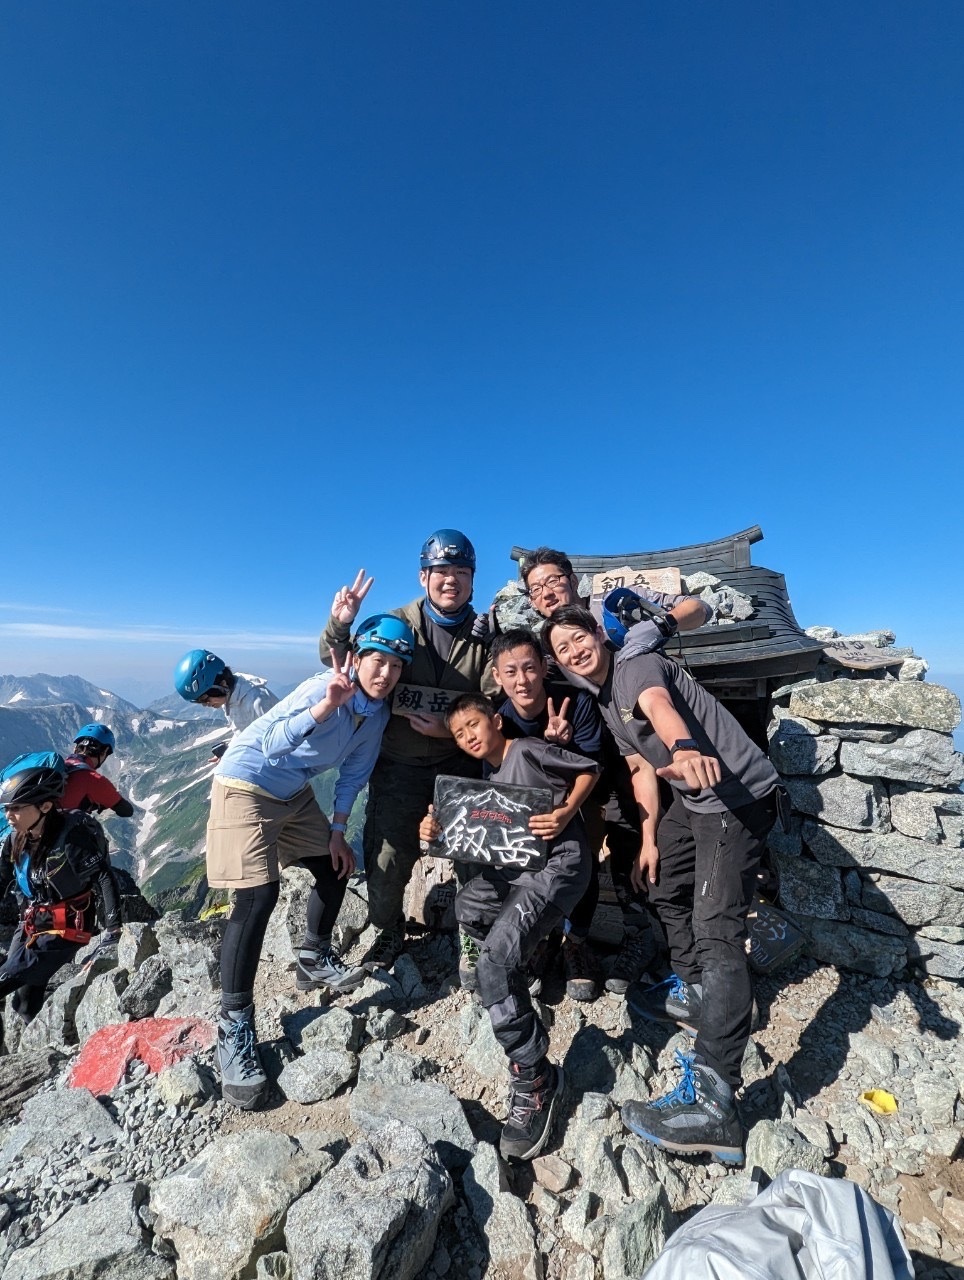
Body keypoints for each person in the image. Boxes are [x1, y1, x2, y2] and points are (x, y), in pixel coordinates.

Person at [542, 604, 780, 1165]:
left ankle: (715, 1102)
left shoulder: (633, 667)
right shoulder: (602, 697)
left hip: (736, 798)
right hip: (691, 802)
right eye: (563, 649)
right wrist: (648, 839)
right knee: (664, 885)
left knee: (716, 931)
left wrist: (683, 745)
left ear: (600, 635)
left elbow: (659, 706)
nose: (574, 651)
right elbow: (639, 768)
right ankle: (697, 992)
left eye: (580, 638)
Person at [208, 612, 415, 1110]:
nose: (385, 673)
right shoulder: (325, 686)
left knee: (333, 863)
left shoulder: (378, 714)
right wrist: (325, 707)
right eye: (377, 661)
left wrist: (339, 830)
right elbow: (272, 744)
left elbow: (353, 774)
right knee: (258, 896)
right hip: (246, 784)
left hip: (293, 793)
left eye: (395, 665)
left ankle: (313, 957)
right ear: (358, 658)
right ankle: (232, 1027)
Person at [520, 547, 714, 997]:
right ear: (531, 601)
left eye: (553, 580)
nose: (547, 593)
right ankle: (568, 941)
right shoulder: (545, 643)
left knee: (637, 844)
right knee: (575, 852)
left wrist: (657, 626)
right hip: (584, 759)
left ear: (572, 578)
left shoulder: (613, 608)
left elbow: (700, 608)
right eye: (536, 589)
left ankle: (644, 938)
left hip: (637, 755)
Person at [418, 693, 599, 1161]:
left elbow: (588, 770)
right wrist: (435, 832)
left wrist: (565, 813)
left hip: (558, 865)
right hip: (518, 869)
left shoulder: (526, 750)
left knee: (493, 962)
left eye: (474, 725)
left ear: (496, 720)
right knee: (470, 905)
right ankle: (517, 969)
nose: (469, 736)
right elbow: (478, 836)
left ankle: (535, 1073)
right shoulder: (486, 777)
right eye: (459, 734)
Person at [318, 534, 498, 971]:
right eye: (441, 573)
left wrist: (450, 729)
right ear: (424, 577)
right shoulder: (397, 622)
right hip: (397, 764)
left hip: (461, 761)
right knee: (386, 859)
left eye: (461, 573)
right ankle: (388, 930)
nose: (450, 581)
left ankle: (474, 937)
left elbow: (497, 698)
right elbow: (338, 660)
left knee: (473, 855)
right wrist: (340, 625)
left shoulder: (487, 635)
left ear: (473, 581)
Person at [489, 628, 609, 1001]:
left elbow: (595, 766)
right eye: (510, 672)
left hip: (583, 793)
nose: (521, 680)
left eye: (529, 668)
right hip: (529, 805)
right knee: (527, 862)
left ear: (544, 667)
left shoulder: (575, 702)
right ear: (497, 676)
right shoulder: (499, 720)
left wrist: (566, 809)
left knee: (583, 853)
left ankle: (576, 941)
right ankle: (544, 938)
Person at [0, 756, 120, 1030]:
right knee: (23, 999)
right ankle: (48, 1039)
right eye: (8, 808)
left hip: (67, 928)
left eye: (16, 808)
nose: (9, 816)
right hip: (33, 922)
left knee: (9, 977)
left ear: (44, 806)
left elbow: (102, 876)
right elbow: (2, 880)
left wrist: (113, 931)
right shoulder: (16, 838)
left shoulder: (72, 837)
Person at [173, 649, 279, 759]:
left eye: (205, 699)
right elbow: (243, 731)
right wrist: (229, 751)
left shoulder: (257, 701)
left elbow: (277, 744)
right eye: (200, 702)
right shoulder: (231, 696)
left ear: (222, 684)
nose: (206, 704)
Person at [62, 724, 135, 817]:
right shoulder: (93, 779)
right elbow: (127, 811)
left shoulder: (62, 766)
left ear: (75, 748)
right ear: (105, 752)